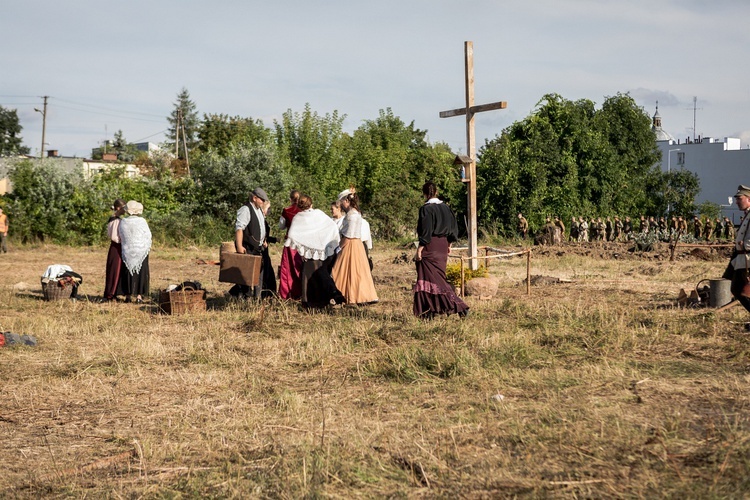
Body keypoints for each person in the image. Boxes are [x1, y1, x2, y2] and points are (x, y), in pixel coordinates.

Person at [413, 181, 468, 319]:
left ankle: (459, 305)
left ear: (425, 194)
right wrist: (449, 244)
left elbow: (426, 231)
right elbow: (453, 228)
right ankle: (429, 311)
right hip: (443, 246)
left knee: (432, 278)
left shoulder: (426, 209)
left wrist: (420, 248)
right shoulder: (446, 208)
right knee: (436, 277)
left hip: (430, 246)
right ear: (436, 192)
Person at [284, 195, 343, 307]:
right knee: (322, 275)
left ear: (299, 206)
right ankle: (325, 299)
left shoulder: (298, 217)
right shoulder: (319, 213)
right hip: (322, 253)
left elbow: (291, 235)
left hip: (310, 255)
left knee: (309, 277)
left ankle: (310, 302)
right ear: (311, 204)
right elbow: (332, 227)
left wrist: (303, 249)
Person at [331, 188, 378, 304]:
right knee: (355, 272)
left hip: (351, 245)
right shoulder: (355, 213)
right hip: (356, 244)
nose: (340, 204)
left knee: (340, 270)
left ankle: (347, 296)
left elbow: (349, 235)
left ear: (347, 200)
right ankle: (352, 296)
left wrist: (339, 248)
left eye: (341, 201)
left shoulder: (352, 215)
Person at [232, 187, 269, 299]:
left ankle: (256, 298)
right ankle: (243, 297)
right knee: (246, 275)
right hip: (248, 247)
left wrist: (263, 241)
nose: (263, 202)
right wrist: (239, 246)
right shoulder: (246, 209)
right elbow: (239, 229)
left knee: (258, 274)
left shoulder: (258, 210)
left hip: (258, 248)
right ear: (254, 198)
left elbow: (261, 227)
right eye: (261, 200)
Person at [724, 185, 750, 327]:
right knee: (737, 290)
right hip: (741, 259)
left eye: (739, 198)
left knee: (742, 290)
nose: (736, 201)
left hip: (748, 259)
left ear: (749, 199)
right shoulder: (747, 214)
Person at [118, 200, 151, 303]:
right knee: (141, 272)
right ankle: (139, 296)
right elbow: (148, 235)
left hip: (127, 250)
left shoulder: (123, 221)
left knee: (127, 272)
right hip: (140, 249)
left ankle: (128, 296)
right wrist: (144, 245)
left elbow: (122, 235)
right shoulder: (142, 221)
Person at [278, 190, 303, 300]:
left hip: (290, 242)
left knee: (288, 268)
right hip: (303, 242)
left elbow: (281, 226)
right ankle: (301, 292)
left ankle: (286, 293)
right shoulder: (304, 211)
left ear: (290, 199)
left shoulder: (287, 210)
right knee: (300, 268)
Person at [103, 199, 126, 301]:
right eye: (123, 208)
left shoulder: (116, 219)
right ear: (118, 208)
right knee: (114, 271)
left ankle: (113, 292)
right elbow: (114, 237)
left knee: (116, 270)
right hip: (116, 247)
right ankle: (110, 294)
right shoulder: (115, 220)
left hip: (117, 247)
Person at [261, 199, 277, 298]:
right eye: (268, 208)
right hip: (262, 249)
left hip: (265, 248)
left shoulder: (263, 219)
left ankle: (269, 293)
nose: (269, 210)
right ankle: (266, 293)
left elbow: (265, 236)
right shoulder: (261, 220)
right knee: (266, 271)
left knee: (268, 271)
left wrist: (274, 239)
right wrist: (263, 241)